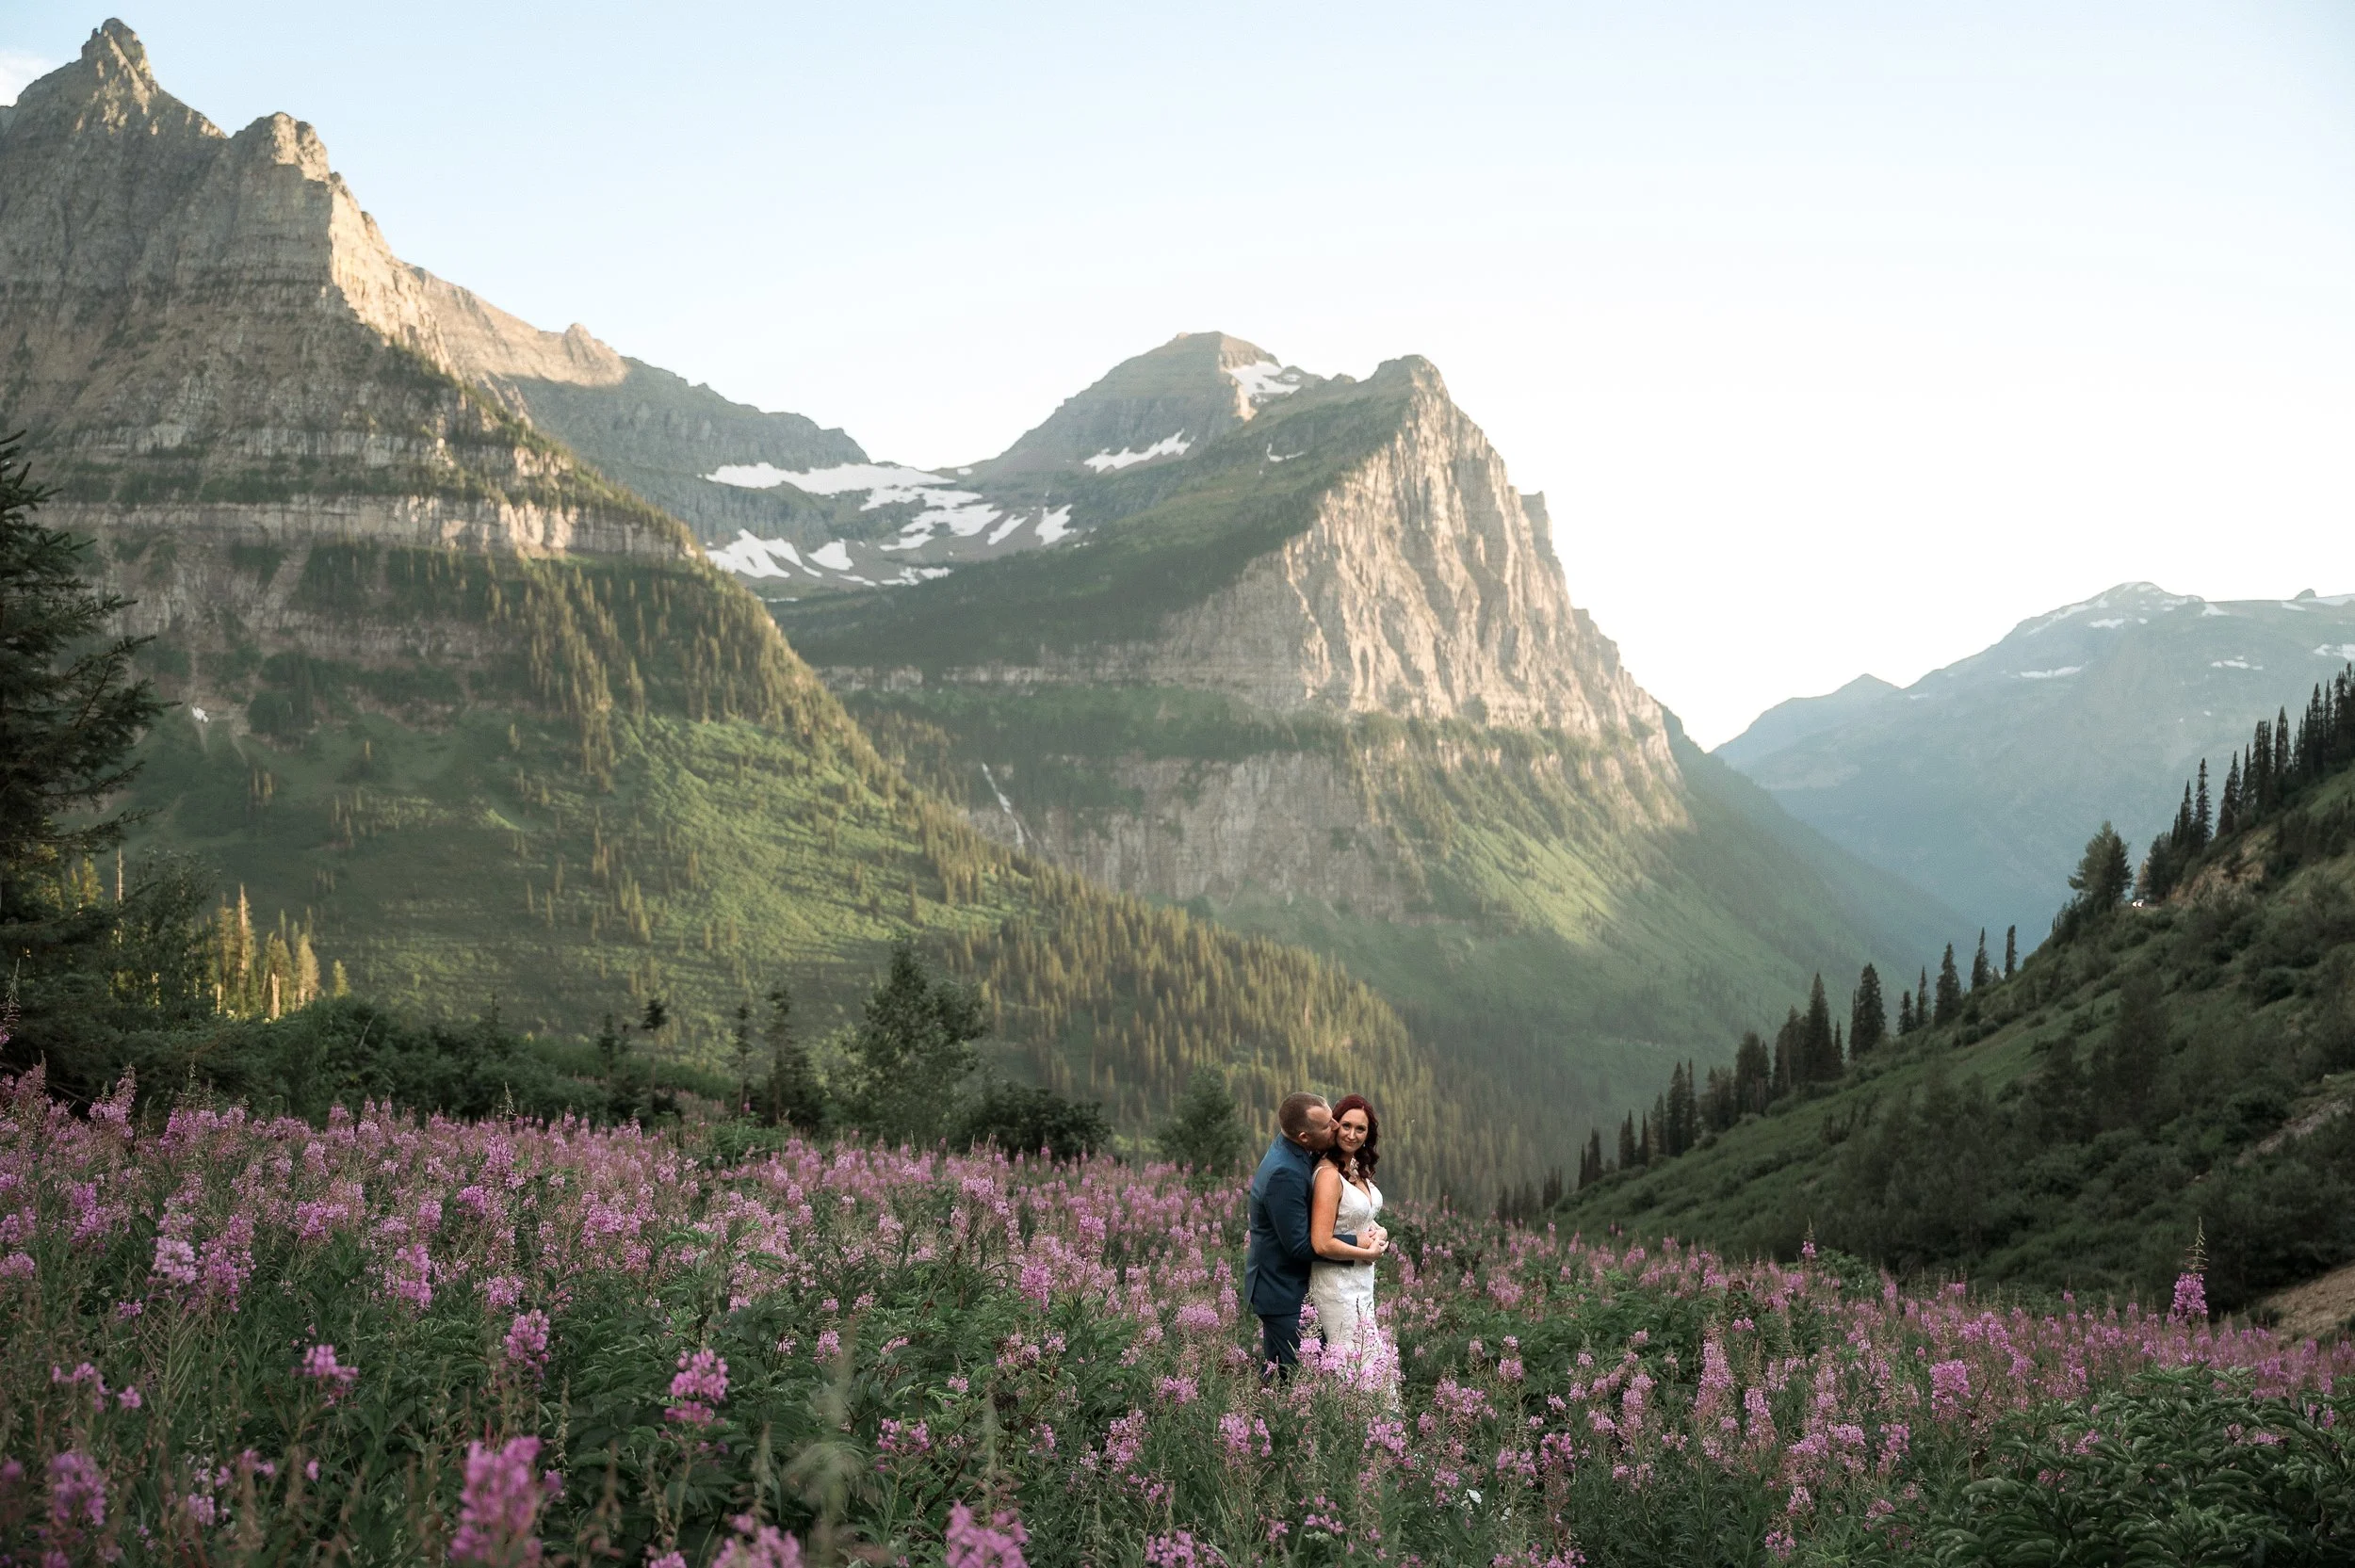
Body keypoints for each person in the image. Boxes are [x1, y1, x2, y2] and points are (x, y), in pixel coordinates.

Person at [1244, 1091, 1359, 1375]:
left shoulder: (1294, 1148)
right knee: (1310, 1376)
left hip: (1280, 1288)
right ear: (1305, 1137)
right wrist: (1357, 1246)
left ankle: (1259, 1418)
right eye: (1326, 1125)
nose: (1335, 1126)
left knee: (1279, 1377)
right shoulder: (1285, 1172)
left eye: (1332, 1117)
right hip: (1281, 1292)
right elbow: (1298, 1245)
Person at [1307, 1093, 1394, 1393]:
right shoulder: (1328, 1175)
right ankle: (1356, 1432)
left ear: (1369, 1134)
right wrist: (1366, 1253)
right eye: (1346, 1126)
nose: (1352, 1134)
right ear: (1334, 1126)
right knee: (1351, 1364)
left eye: (1361, 1129)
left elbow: (1362, 1218)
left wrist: (1379, 1234)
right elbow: (1321, 1242)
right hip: (1336, 1286)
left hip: (1361, 1282)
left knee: (1371, 1361)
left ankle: (1378, 1435)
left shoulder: (1356, 1167)